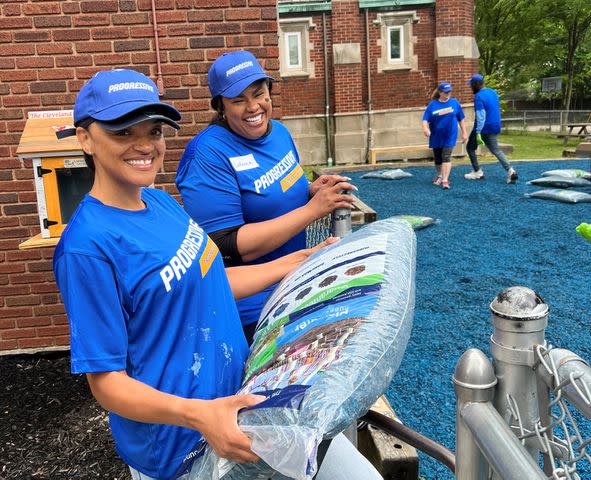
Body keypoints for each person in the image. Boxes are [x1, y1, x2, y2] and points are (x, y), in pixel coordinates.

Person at [53, 69, 380, 480]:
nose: (144, 146)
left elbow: (208, 284)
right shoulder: (87, 247)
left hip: (242, 407)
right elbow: (106, 383)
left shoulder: (160, 203)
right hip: (182, 447)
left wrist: (301, 262)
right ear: (85, 138)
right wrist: (199, 415)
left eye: (154, 131)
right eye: (122, 133)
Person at [176, 50, 355, 345]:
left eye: (259, 93)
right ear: (221, 107)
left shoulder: (280, 133)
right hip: (250, 313)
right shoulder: (208, 154)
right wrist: (312, 210)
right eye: (238, 100)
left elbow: (275, 195)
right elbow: (224, 245)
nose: (253, 107)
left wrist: (311, 190)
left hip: (293, 290)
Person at [464, 74, 518, 183]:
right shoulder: (493, 93)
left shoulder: (479, 96)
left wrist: (478, 131)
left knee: (470, 148)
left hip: (483, 127)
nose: (471, 87)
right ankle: (511, 171)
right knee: (496, 150)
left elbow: (481, 115)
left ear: (476, 84)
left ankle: (477, 172)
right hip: (494, 125)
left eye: (472, 85)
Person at [422, 81, 467, 189]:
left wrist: (464, 133)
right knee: (438, 159)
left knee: (446, 157)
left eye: (449, 92)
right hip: (436, 135)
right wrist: (425, 128)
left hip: (450, 135)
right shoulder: (432, 104)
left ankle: (445, 180)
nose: (448, 94)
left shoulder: (455, 103)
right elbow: (425, 118)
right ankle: (440, 174)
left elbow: (461, 118)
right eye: (445, 92)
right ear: (440, 92)